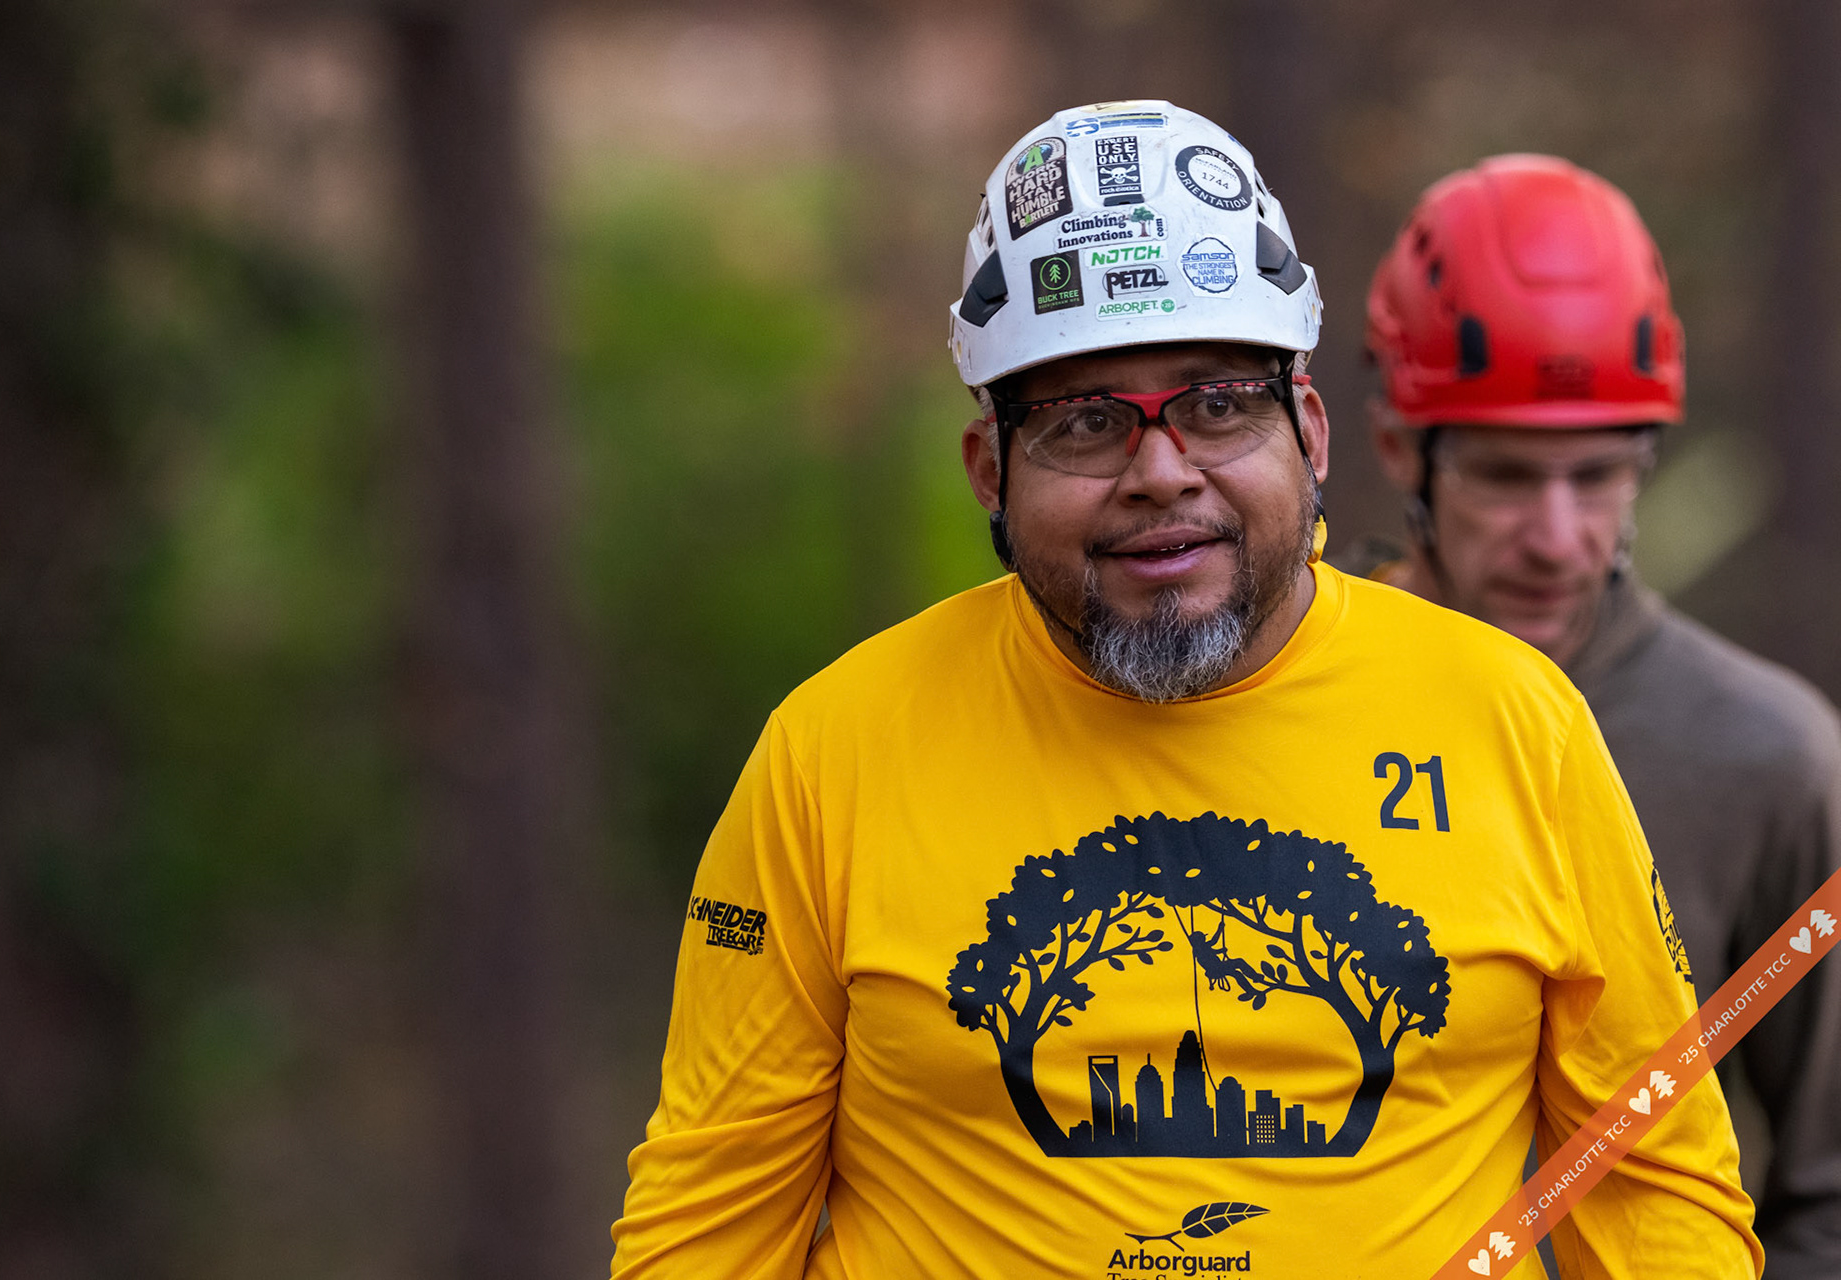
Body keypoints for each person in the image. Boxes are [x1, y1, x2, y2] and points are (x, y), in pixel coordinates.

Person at [610, 103, 1759, 1277]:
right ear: (989, 472)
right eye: (1085, 422)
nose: (1161, 473)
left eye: (1218, 404)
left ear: (1309, 433)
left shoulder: (1516, 723)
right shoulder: (833, 751)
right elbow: (707, 1216)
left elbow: (1657, 1180)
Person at [1362, 154, 1841, 1277]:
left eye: (1601, 474)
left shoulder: (1768, 761)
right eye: (1506, 475)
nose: (1559, 535)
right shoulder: (1284, 701)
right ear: (1400, 452)